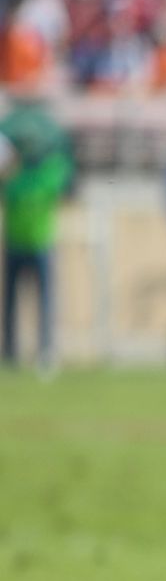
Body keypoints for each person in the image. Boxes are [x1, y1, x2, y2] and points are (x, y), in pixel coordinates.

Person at [0, 93, 77, 374]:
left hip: (42, 243)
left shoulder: (48, 171)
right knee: (11, 303)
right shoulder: (12, 175)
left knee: (44, 303)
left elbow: (62, 178)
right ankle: (10, 352)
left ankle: (46, 350)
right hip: (14, 243)